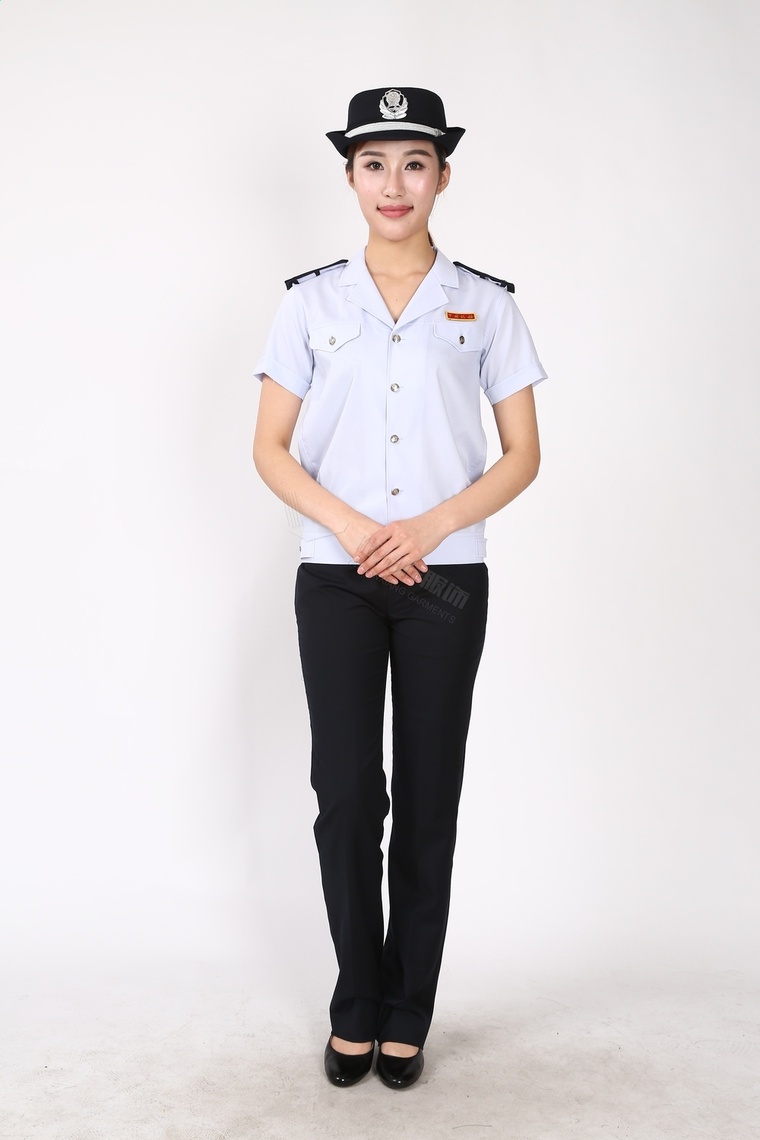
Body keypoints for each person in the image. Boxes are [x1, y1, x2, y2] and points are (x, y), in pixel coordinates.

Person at [253, 87, 547, 1090]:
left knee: (427, 796)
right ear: (349, 177)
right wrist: (353, 530)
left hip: (442, 581)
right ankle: (357, 1002)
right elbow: (270, 447)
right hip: (336, 580)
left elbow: (522, 455)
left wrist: (427, 528)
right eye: (374, 164)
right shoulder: (310, 302)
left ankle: (407, 1010)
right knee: (346, 796)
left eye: (414, 163)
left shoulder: (485, 304)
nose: (394, 184)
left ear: (442, 177)